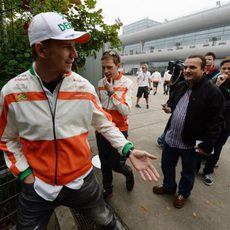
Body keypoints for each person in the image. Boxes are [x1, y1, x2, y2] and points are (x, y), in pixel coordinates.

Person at [0, 12, 160, 230]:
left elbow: (104, 123)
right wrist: (26, 175)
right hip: (38, 187)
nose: (74, 54)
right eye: (66, 46)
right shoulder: (12, 92)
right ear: (41, 49)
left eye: (74, 46)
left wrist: (128, 150)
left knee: (108, 223)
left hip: (82, 181)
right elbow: (7, 140)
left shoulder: (83, 87)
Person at [153, 55, 224, 209]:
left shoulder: (213, 92)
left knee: (188, 172)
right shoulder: (181, 85)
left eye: (192, 67)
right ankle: (169, 187)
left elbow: (216, 123)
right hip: (171, 138)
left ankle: (183, 193)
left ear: (204, 69)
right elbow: (173, 102)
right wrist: (169, 108)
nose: (187, 70)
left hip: (191, 144)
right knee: (167, 166)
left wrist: (205, 145)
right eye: (185, 67)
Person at [96, 50, 134, 199]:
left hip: (119, 129)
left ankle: (128, 172)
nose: (106, 71)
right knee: (104, 162)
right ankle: (108, 188)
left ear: (118, 66)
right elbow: (99, 107)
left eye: (109, 67)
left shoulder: (127, 83)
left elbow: (126, 110)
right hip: (102, 129)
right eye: (103, 67)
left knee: (116, 164)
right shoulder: (100, 83)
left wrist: (112, 92)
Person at [199, 57, 230, 186]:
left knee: (216, 149)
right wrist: (217, 85)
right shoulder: (214, 81)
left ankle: (208, 171)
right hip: (209, 122)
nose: (226, 71)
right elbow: (205, 97)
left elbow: (224, 105)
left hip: (225, 125)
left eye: (229, 69)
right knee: (201, 145)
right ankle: (195, 166)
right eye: (224, 68)